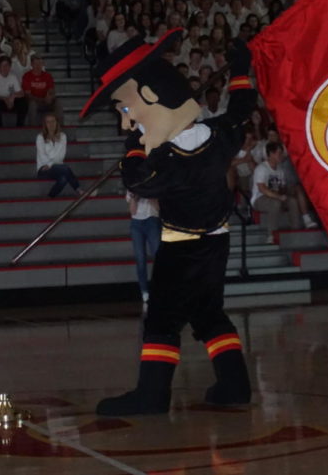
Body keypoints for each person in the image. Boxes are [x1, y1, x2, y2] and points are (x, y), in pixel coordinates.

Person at [81, 31, 254, 417]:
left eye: (127, 112)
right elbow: (242, 108)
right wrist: (241, 69)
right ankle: (235, 383)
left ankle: (152, 394)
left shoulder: (168, 161)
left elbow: (137, 179)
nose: (128, 124)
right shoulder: (219, 136)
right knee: (209, 312)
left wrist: (131, 149)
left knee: (161, 318)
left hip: (182, 246)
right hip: (217, 242)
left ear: (150, 98)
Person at [35, 113, 81, 197]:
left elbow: (61, 156)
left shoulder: (63, 136)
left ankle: (50, 196)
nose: (51, 124)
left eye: (53, 121)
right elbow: (42, 156)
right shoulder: (40, 137)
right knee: (65, 168)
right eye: (48, 122)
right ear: (45, 124)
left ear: (57, 123)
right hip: (43, 170)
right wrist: (51, 162)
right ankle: (79, 190)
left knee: (63, 179)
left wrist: (50, 162)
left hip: (58, 168)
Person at [127, 191, 161, 303]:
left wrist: (150, 196)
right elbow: (133, 211)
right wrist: (134, 199)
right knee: (140, 258)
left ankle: (159, 289)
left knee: (157, 256)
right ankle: (144, 291)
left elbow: (158, 209)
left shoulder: (153, 186)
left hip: (152, 220)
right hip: (136, 223)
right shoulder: (132, 187)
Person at [0, 56, 26, 127]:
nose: (5, 67)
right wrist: (4, 99)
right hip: (0, 101)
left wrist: (13, 97)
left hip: (11, 101)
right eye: (3, 65)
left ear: (10, 66)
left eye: (7, 65)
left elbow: (21, 93)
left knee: (23, 101)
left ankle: (20, 126)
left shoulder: (13, 76)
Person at [22, 54, 61, 125]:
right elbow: (28, 95)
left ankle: (60, 127)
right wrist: (42, 99)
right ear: (31, 64)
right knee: (32, 104)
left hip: (46, 101)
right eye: (36, 64)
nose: (38, 66)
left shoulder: (47, 76)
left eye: (40, 63)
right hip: (34, 101)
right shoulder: (27, 76)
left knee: (57, 102)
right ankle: (32, 128)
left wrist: (49, 96)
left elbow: (51, 90)